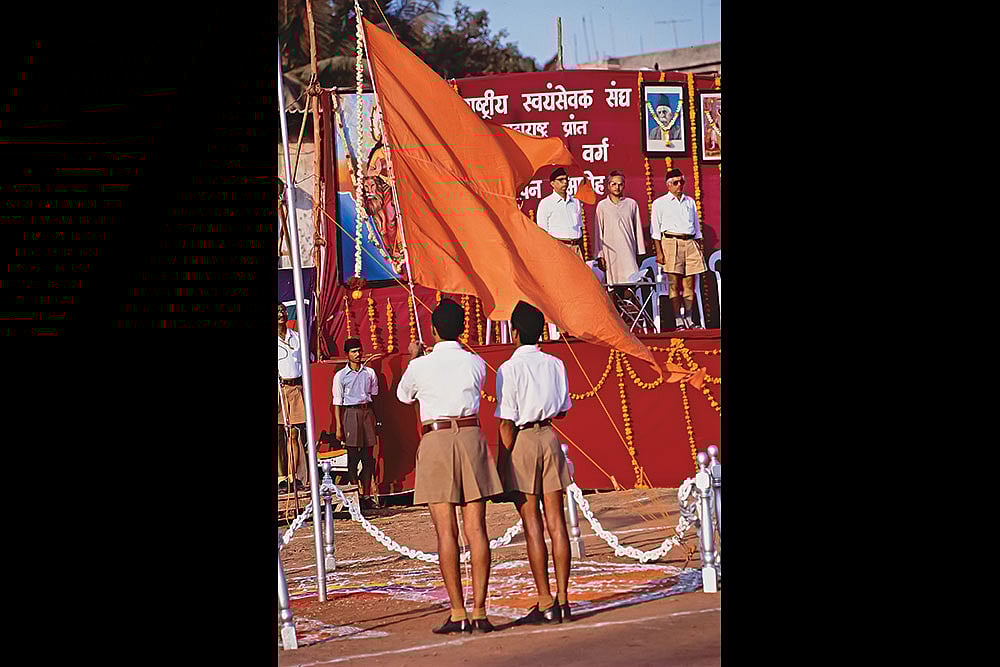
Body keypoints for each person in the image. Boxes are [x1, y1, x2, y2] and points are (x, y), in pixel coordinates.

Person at [396, 298, 504, 634]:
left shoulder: (421, 366)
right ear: (462, 329)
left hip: (438, 438)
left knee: (447, 532)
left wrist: (415, 358)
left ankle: (458, 611)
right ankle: (480, 609)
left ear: (434, 329)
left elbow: (403, 396)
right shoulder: (475, 363)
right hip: (470, 435)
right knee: (477, 529)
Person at [495, 301, 575, 625]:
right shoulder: (555, 364)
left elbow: (506, 422)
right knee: (556, 521)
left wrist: (505, 457)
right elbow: (565, 409)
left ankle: (545, 601)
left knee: (533, 525)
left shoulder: (508, 369)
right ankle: (565, 600)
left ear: (515, 333)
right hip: (550, 436)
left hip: (523, 439)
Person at [651, 168, 707, 329]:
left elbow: (696, 227)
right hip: (670, 242)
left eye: (681, 182)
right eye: (675, 182)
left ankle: (689, 319)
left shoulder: (690, 202)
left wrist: (698, 247)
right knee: (674, 284)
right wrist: (660, 252)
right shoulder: (659, 203)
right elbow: (655, 231)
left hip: (689, 242)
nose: (679, 185)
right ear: (668, 185)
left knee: (689, 283)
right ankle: (678, 320)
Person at [332, 337, 380, 510]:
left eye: (359, 350)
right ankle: (355, 495)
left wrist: (376, 419)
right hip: (350, 413)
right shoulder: (340, 376)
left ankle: (366, 495)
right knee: (353, 457)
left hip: (366, 412)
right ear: (347, 354)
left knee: (368, 458)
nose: (358, 354)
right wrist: (339, 427)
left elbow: (374, 396)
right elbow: (337, 402)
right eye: (353, 351)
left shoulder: (370, 373)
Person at [594, 170, 647, 284]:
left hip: (629, 252)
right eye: (614, 184)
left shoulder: (631, 204)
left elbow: (637, 229)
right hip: (610, 254)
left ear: (624, 185)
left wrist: (640, 252)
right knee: (613, 286)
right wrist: (600, 255)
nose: (617, 187)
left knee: (631, 283)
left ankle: (628, 302)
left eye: (620, 184)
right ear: (608, 186)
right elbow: (599, 232)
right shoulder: (602, 206)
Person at [277, 303, 307, 493]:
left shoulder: (296, 337)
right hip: (279, 390)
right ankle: (280, 478)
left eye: (283, 311)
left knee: (294, 434)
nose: (281, 314)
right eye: (277, 311)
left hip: (295, 388)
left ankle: (292, 476)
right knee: (280, 436)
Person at [536, 167, 585, 261]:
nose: (565, 182)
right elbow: (542, 232)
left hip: (577, 247)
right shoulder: (546, 203)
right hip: (559, 248)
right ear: (552, 183)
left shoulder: (575, 201)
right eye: (560, 180)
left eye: (566, 179)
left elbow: (579, 227)